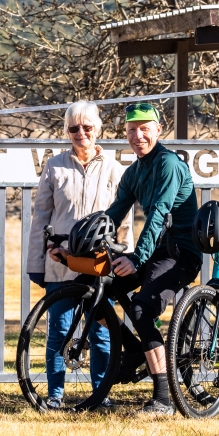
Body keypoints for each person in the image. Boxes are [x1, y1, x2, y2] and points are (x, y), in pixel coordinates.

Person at [51, 102, 202, 415]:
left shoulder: (168, 165)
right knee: (90, 283)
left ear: (158, 130)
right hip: (155, 252)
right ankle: (133, 350)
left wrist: (136, 258)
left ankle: (162, 399)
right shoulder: (134, 172)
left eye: (145, 128)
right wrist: (74, 243)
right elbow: (113, 214)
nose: (138, 135)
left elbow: (159, 214)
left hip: (180, 253)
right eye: (132, 130)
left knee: (141, 310)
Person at [27, 100, 133, 409]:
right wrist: (36, 264)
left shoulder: (115, 169)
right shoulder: (54, 165)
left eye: (87, 127)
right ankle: (55, 396)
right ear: (67, 131)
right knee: (58, 332)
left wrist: (121, 259)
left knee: (102, 333)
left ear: (98, 129)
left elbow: (124, 222)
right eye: (74, 128)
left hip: (100, 263)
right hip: (61, 262)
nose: (81, 133)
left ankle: (101, 394)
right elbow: (40, 218)